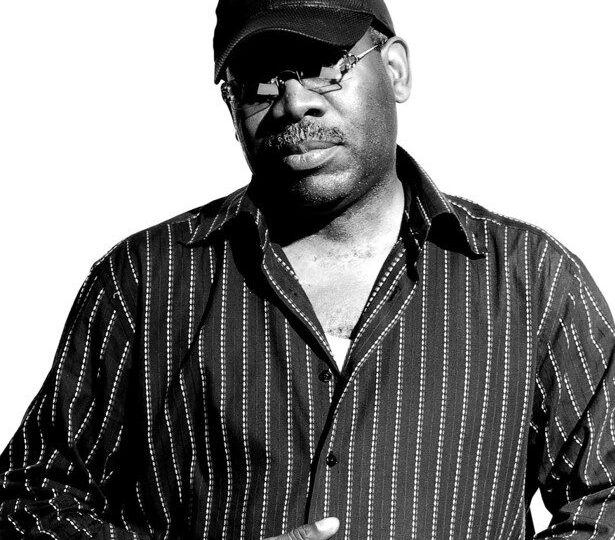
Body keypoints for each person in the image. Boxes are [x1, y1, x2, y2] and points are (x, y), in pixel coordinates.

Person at [1, 0, 614, 538]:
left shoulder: (530, 279)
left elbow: (606, 498)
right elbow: (29, 497)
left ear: (395, 70)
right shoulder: (146, 282)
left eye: (323, 65)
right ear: (230, 105)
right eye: (259, 81)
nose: (294, 103)